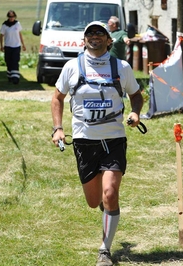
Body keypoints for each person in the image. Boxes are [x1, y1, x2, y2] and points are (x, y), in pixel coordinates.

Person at [51, 21, 143, 266]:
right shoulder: (72, 66)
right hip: (84, 140)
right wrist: (58, 128)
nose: (94, 36)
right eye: (90, 33)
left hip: (113, 138)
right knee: (94, 202)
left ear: (109, 40)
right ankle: (106, 207)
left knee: (110, 193)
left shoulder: (121, 67)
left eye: (100, 33)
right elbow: (57, 98)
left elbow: (136, 95)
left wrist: (135, 114)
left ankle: (105, 250)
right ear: (84, 40)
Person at [0, 10, 26, 84]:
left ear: (15, 16)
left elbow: (20, 34)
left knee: (15, 61)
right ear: (8, 17)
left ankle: (15, 78)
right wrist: (1, 46)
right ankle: (10, 76)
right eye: (10, 17)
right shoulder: (4, 25)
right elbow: (1, 35)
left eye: (13, 16)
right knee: (8, 62)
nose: (11, 18)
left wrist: (23, 44)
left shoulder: (17, 24)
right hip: (8, 46)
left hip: (16, 46)